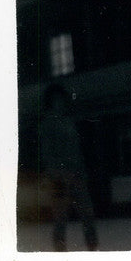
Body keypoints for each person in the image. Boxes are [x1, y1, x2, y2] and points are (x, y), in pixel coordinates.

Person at [39, 83, 99, 252]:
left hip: (76, 174)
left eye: (61, 100)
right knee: (60, 216)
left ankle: (93, 247)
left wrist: (81, 171)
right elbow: (47, 152)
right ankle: (60, 251)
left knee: (87, 213)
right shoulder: (47, 124)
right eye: (55, 100)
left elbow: (76, 149)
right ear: (50, 102)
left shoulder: (68, 121)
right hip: (59, 177)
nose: (59, 103)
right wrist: (56, 173)